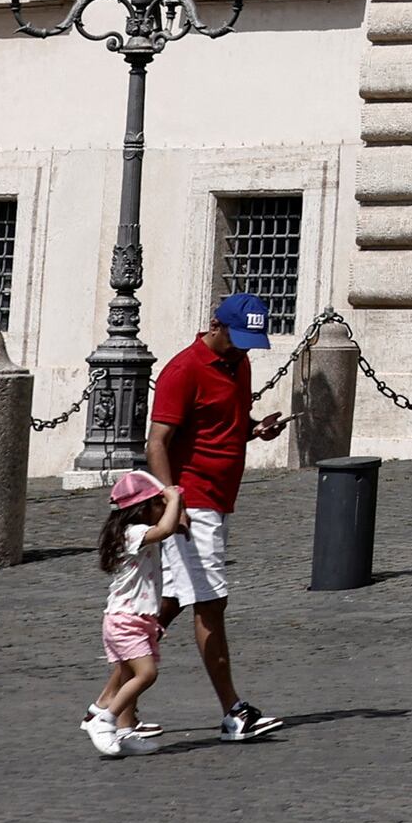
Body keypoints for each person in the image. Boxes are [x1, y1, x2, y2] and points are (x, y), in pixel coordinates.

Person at [144, 292, 287, 742]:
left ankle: (111, 705)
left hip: (220, 498)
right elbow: (158, 443)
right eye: (238, 338)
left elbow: (226, 424)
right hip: (193, 500)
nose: (245, 348)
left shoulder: (237, 364)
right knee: (210, 601)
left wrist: (256, 429)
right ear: (215, 325)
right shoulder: (183, 370)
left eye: (251, 341)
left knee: (168, 603)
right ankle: (234, 711)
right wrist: (173, 500)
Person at [82, 470, 176, 758]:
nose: (163, 508)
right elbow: (165, 530)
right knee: (146, 674)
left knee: (126, 676)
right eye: (158, 503)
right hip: (126, 620)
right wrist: (174, 499)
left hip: (138, 618)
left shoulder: (136, 533)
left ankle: (124, 731)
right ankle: (104, 720)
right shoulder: (133, 532)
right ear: (142, 508)